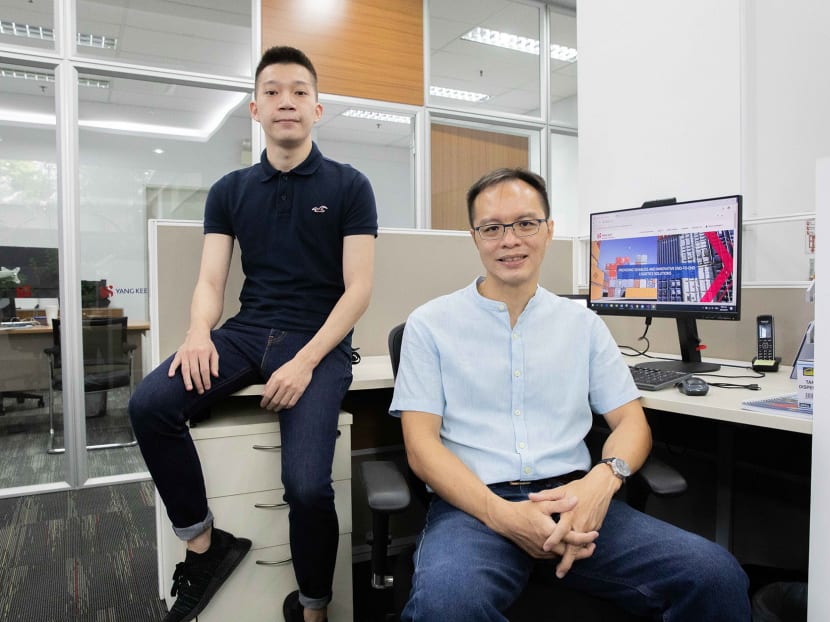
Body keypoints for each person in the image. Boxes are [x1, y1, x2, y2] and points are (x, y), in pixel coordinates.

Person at [388, 168, 750, 621]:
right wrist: (504, 517)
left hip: (575, 499)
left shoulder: (583, 325)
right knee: (448, 605)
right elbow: (421, 449)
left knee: (715, 575)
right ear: (474, 237)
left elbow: (631, 424)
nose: (510, 240)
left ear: (549, 230)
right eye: (492, 228)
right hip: (475, 509)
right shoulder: (430, 324)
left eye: (525, 223)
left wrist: (604, 480)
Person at [129, 46, 377, 622]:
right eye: (272, 91)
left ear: (318, 109)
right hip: (245, 333)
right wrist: (197, 332)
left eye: (297, 91)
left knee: (308, 486)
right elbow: (211, 279)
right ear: (254, 108)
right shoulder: (230, 189)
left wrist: (306, 361)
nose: (284, 101)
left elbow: (358, 289)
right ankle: (204, 545)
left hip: (318, 340)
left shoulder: (349, 185)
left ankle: (313, 606)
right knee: (150, 404)